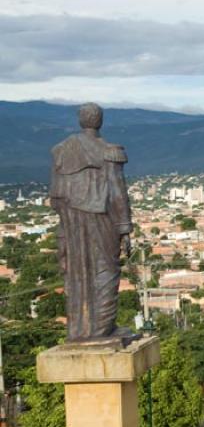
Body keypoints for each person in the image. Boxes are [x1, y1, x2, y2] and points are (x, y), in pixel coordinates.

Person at [50, 103, 133, 342]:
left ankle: (79, 329)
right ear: (101, 120)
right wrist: (125, 228)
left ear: (80, 120)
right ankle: (101, 329)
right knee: (106, 268)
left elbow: (55, 197)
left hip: (71, 220)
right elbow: (117, 191)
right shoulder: (108, 151)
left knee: (77, 271)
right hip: (101, 216)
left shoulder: (62, 151)